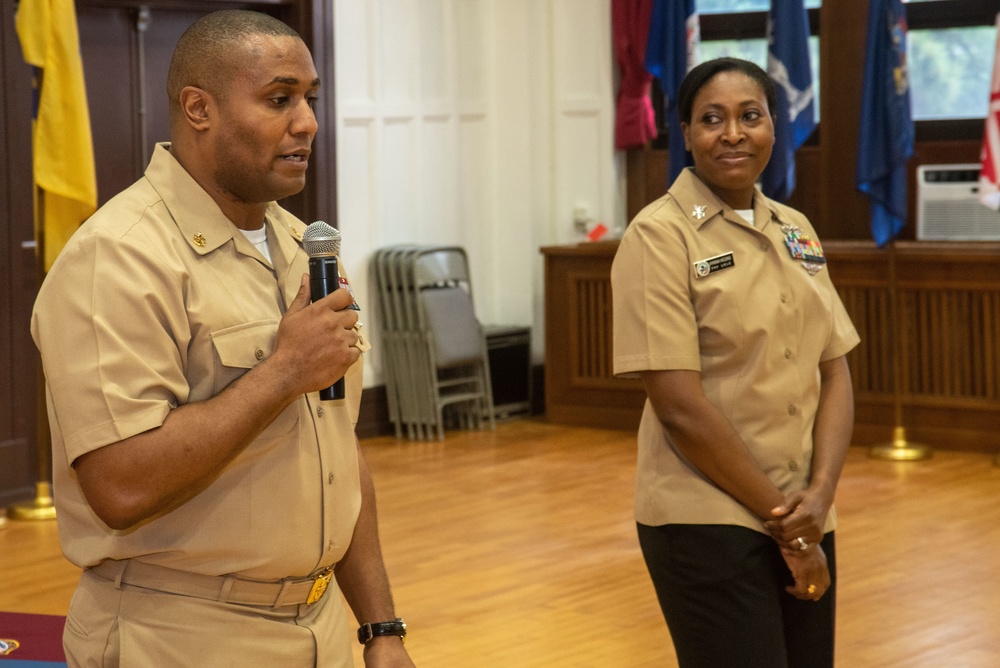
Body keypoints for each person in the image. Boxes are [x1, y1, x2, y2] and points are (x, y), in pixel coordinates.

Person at [31, 10, 414, 668]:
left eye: (310, 98)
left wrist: (380, 628)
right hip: (181, 634)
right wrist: (283, 372)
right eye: (278, 98)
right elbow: (119, 488)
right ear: (198, 108)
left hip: (319, 631)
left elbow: (337, 454)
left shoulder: (304, 250)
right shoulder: (118, 256)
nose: (307, 123)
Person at [611, 57, 859, 668]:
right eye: (711, 119)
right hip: (708, 516)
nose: (733, 133)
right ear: (686, 135)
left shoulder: (794, 227)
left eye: (751, 116)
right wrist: (790, 526)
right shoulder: (658, 236)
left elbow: (834, 370)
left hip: (806, 510)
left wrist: (820, 497)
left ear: (776, 125)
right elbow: (680, 408)